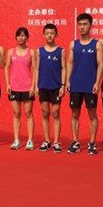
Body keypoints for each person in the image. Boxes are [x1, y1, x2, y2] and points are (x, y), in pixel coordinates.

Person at [66, 13, 103, 155]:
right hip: (75, 84)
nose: (82, 27)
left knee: (92, 114)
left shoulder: (97, 44)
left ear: (90, 25)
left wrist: (97, 82)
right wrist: (67, 81)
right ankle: (75, 141)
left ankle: (92, 143)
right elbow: (70, 63)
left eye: (85, 24)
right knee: (75, 113)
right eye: (80, 24)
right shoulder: (73, 44)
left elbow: (100, 64)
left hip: (90, 85)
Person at [34, 23, 65, 152]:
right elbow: (36, 69)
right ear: (44, 35)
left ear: (56, 34)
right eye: (47, 33)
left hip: (56, 86)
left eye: (52, 33)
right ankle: (47, 141)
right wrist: (36, 85)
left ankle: (56, 142)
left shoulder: (61, 51)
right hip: (43, 86)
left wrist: (63, 85)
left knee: (55, 113)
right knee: (45, 113)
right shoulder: (39, 51)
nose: (49, 35)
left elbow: (63, 68)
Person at [5, 27, 36, 150]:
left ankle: (30, 140)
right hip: (14, 87)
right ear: (16, 37)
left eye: (23, 35)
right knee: (16, 113)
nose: (21, 38)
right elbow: (6, 67)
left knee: (28, 113)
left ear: (27, 37)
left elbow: (35, 70)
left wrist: (33, 86)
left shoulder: (31, 52)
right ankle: (16, 140)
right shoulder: (11, 52)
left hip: (27, 87)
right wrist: (8, 84)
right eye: (19, 35)